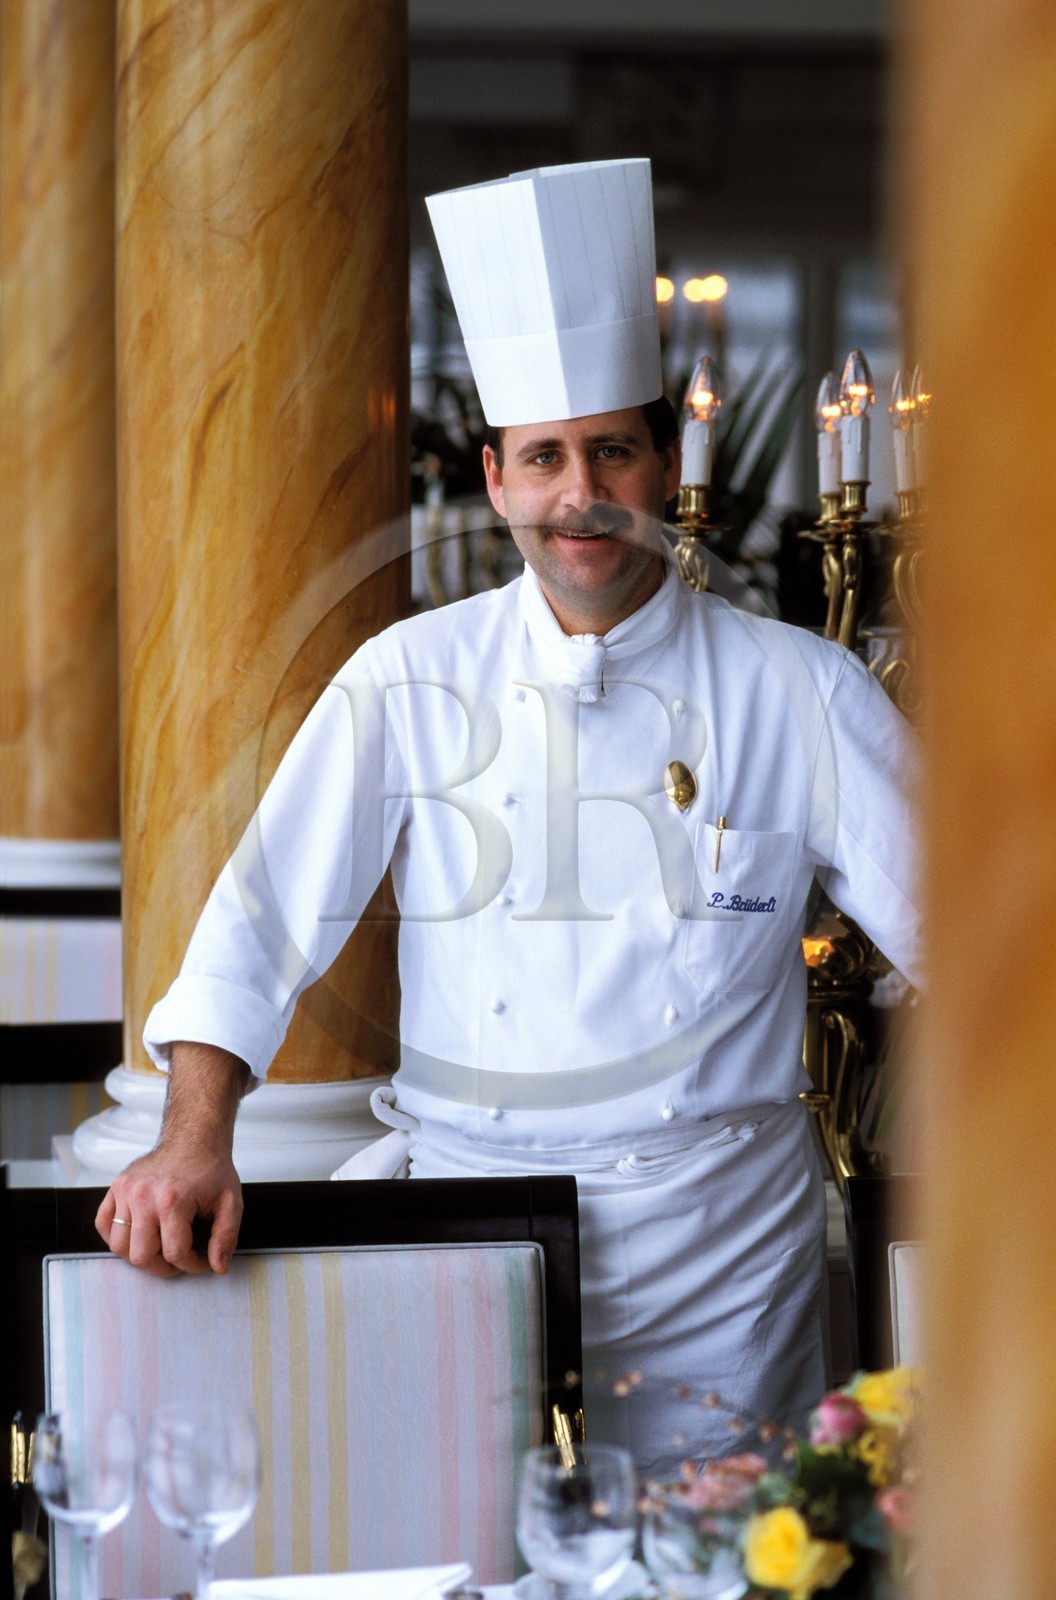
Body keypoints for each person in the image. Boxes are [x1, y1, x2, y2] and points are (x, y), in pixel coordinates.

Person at [96, 160, 921, 1474]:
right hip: (466, 1241)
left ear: (662, 463)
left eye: (611, 449)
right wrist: (193, 1136)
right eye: (544, 457)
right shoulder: (407, 679)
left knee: (718, 1565)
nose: (578, 492)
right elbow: (258, 918)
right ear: (496, 477)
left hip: (719, 1252)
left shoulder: (800, 691)